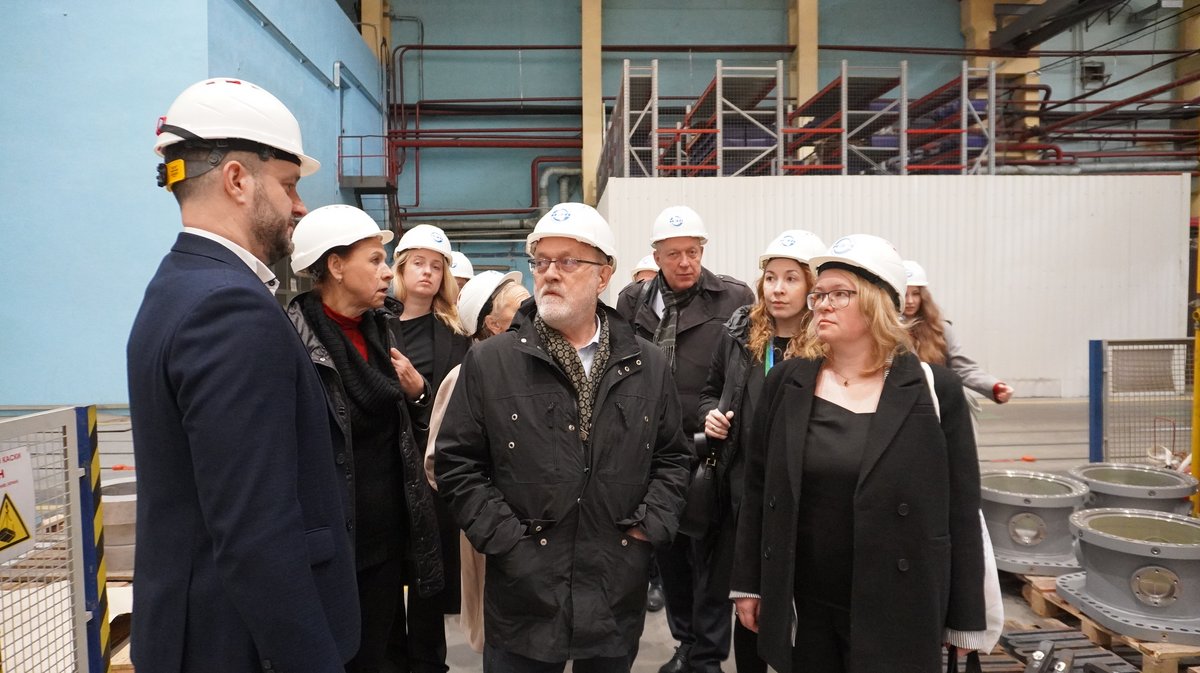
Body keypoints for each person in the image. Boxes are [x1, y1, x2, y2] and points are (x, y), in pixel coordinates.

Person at [127, 78, 358, 672]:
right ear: (237, 179)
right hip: (233, 644)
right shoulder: (229, 309)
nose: (300, 207)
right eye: (289, 185)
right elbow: (256, 530)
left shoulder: (178, 285)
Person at [435, 202, 692, 672]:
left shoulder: (648, 365)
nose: (550, 273)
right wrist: (507, 541)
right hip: (523, 594)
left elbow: (673, 458)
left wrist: (646, 531)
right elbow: (458, 464)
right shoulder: (491, 363)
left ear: (604, 275)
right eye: (541, 261)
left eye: (569, 261)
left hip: (614, 586)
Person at [730, 234, 987, 673]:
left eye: (839, 294)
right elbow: (759, 490)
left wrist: (965, 618)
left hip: (898, 604)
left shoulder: (935, 390)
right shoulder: (787, 383)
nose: (822, 305)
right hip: (806, 603)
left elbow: (961, 510)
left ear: (876, 303)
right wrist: (749, 585)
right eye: (819, 294)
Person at [285, 204, 444, 673]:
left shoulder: (382, 328)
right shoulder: (293, 341)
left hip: (387, 538)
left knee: (381, 652)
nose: (387, 272)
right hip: (333, 544)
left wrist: (419, 395)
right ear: (336, 266)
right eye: (375, 260)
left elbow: (403, 431)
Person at [615, 205, 753, 673]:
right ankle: (686, 643)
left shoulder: (734, 298)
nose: (685, 262)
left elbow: (745, 368)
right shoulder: (633, 301)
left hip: (710, 448)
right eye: (673, 253)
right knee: (669, 552)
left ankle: (708, 657)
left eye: (693, 251)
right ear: (656, 255)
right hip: (654, 449)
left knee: (710, 559)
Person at [698, 229, 825, 673]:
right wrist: (711, 416)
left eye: (791, 278)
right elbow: (709, 391)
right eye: (771, 278)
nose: (777, 289)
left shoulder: (828, 346)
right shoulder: (739, 335)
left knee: (805, 608)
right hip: (745, 496)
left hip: (805, 498)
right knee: (748, 604)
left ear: (812, 287)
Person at [421, 269, 532, 653]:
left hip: (543, 527)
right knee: (500, 632)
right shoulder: (464, 376)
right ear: (494, 324)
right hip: (493, 531)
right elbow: (438, 464)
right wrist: (488, 513)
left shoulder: (540, 367)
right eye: (520, 306)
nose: (533, 310)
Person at [388, 223, 471, 673]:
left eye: (436, 266)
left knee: (428, 577)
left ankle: (427, 663)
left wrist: (420, 391)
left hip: (430, 472)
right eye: (418, 263)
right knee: (385, 573)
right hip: (385, 468)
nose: (427, 272)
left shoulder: (455, 334)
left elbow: (460, 407)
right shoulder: (377, 324)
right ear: (400, 269)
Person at [903, 260, 1014, 404]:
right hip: (902, 405)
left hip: (937, 403)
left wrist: (995, 387)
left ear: (923, 296)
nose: (910, 301)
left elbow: (963, 368)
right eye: (905, 294)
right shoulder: (884, 331)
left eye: (916, 294)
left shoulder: (940, 328)